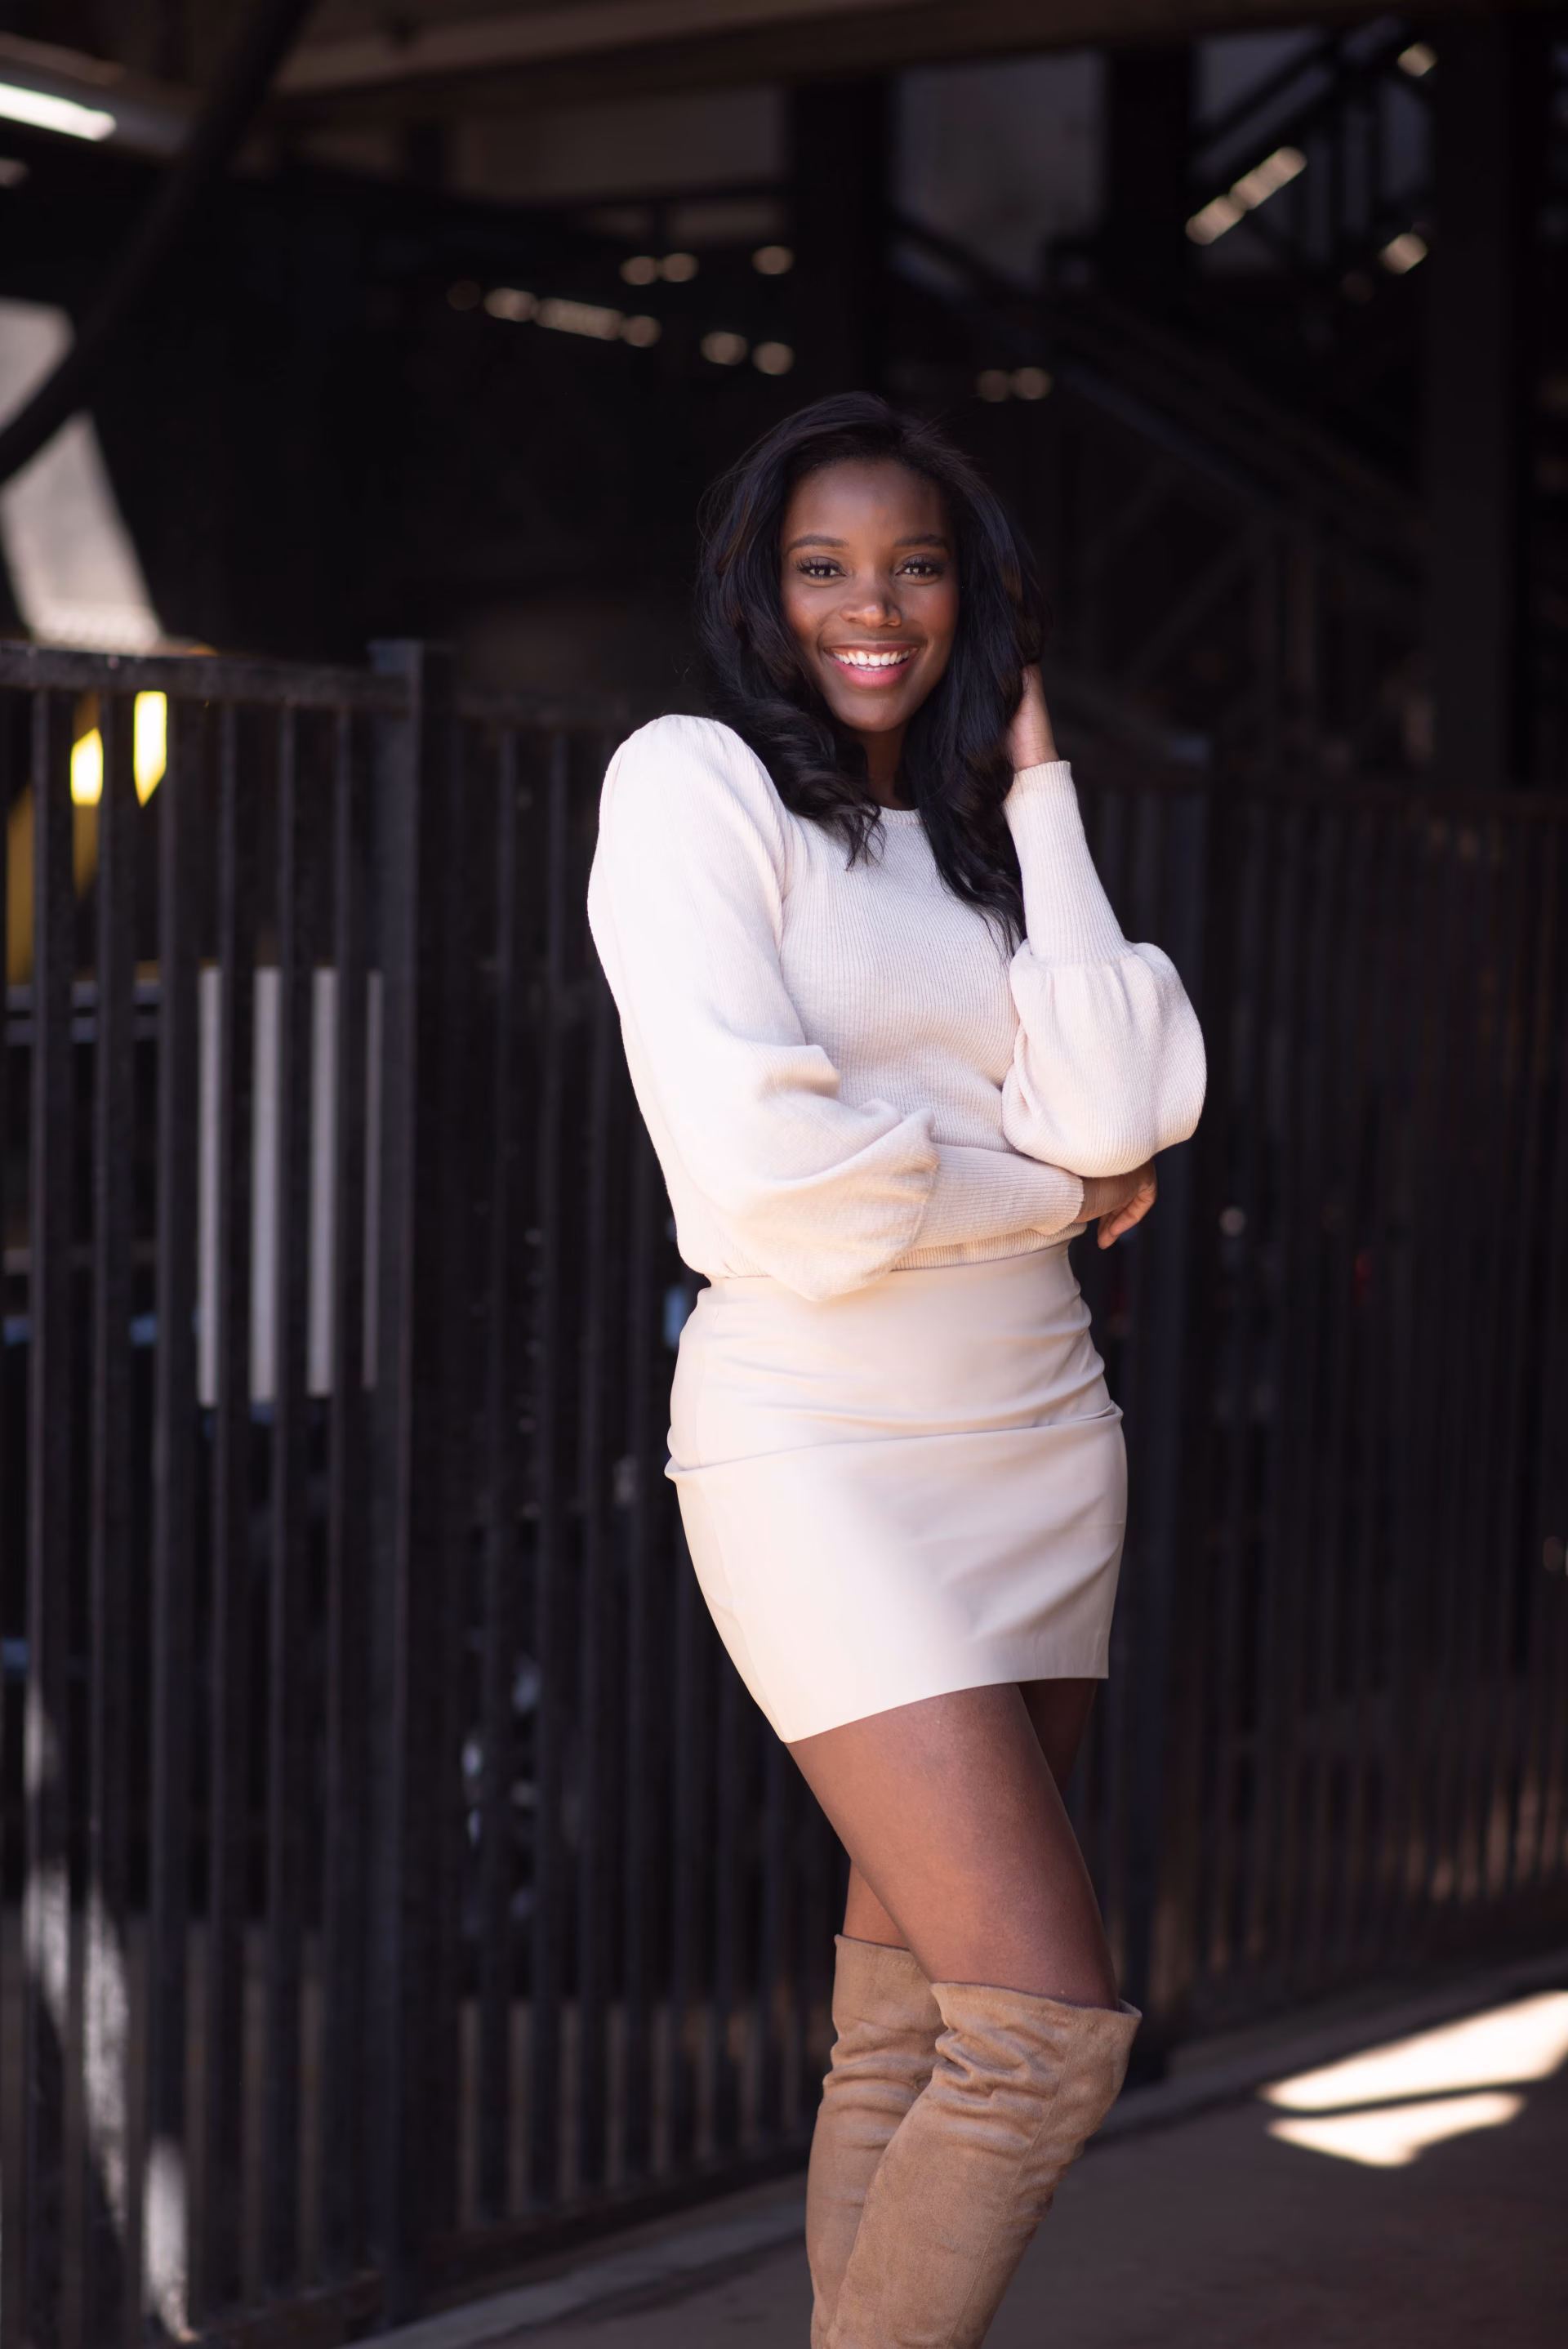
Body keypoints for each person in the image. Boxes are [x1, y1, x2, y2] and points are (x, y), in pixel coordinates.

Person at [587, 394, 1205, 2348]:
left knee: (915, 2026)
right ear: (757, 593)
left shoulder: (982, 843)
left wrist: (1040, 783)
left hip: (1041, 1434)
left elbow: (1123, 1102)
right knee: (1043, 2027)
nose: (875, 606)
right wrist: (1049, 1189)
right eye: (824, 566)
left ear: (974, 598)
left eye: (918, 566)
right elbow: (772, 1181)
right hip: (819, 1443)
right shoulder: (693, 785)